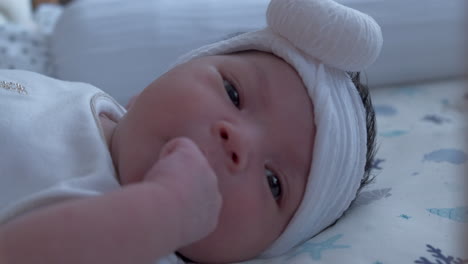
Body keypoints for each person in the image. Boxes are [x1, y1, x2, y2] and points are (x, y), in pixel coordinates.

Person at [0, 0, 382, 263]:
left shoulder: (144, 247)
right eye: (233, 93)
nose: (239, 141)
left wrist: (163, 212)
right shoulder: (87, 98)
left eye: (273, 182)